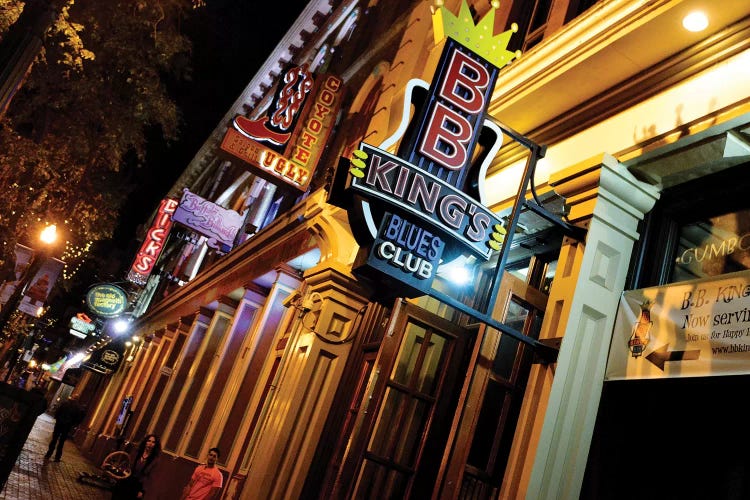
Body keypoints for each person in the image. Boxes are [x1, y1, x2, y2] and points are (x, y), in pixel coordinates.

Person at [111, 434, 161, 499]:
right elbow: (127, 464)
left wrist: (142, 491)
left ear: (155, 445)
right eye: (149, 441)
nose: (150, 443)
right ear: (145, 442)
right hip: (126, 479)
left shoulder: (155, 460)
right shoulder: (136, 452)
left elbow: (149, 477)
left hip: (137, 486)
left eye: (153, 442)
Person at [45, 395, 85, 461]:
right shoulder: (77, 407)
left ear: (72, 398)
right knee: (61, 442)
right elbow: (78, 418)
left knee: (54, 439)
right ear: (77, 399)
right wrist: (73, 424)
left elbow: (58, 411)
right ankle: (57, 457)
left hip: (59, 423)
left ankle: (48, 453)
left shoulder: (65, 403)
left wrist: (57, 419)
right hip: (67, 426)